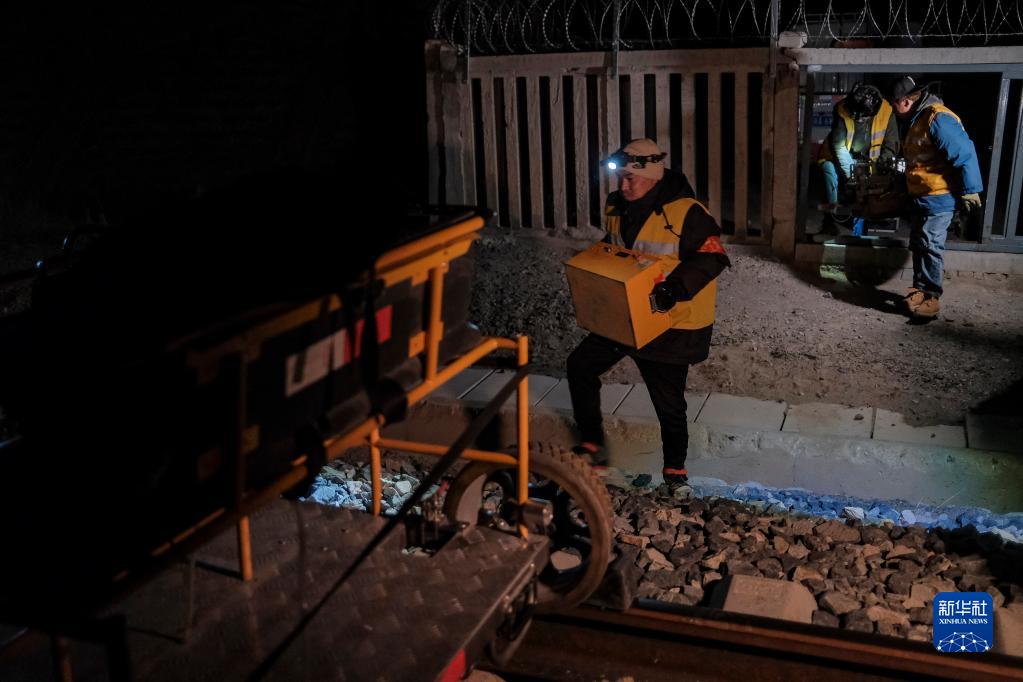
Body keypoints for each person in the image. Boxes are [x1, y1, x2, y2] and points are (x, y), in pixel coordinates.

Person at [566, 138, 729, 491]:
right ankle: (592, 447)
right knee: (580, 366)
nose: (623, 187)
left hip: (670, 325)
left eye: (630, 179)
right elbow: (614, 248)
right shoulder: (616, 205)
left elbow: (713, 257)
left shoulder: (688, 213)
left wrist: (675, 288)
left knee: (669, 405)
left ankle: (675, 474)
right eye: (619, 178)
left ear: (653, 176)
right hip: (626, 316)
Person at [890, 76, 983, 318]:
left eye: (894, 104)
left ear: (906, 101)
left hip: (940, 196)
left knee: (930, 244)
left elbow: (964, 152)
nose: (893, 109)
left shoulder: (937, 118)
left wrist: (970, 189)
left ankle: (931, 297)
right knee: (920, 244)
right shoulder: (916, 120)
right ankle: (920, 290)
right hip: (921, 196)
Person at [816, 83, 900, 233]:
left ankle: (867, 221)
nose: (857, 119)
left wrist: (877, 173)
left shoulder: (887, 112)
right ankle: (830, 219)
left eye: (861, 117)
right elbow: (839, 147)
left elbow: (890, 147)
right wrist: (853, 176)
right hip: (841, 156)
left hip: (871, 160)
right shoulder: (842, 109)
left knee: (871, 194)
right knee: (829, 171)